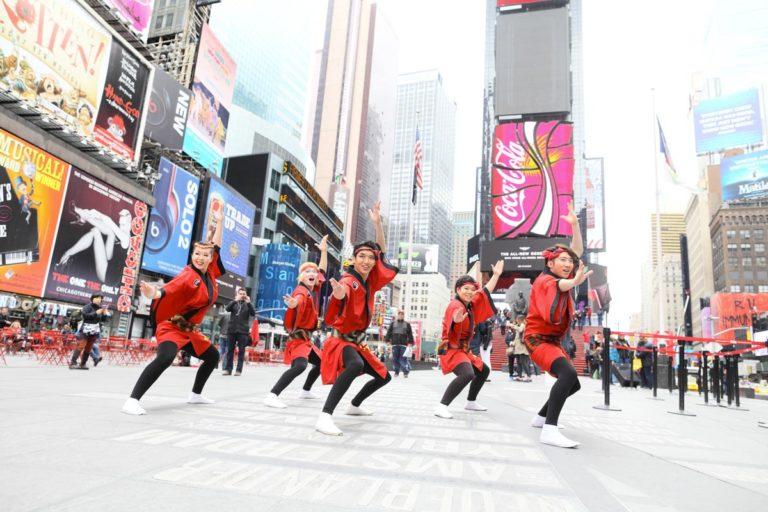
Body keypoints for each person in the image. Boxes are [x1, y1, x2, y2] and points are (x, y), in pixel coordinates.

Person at [121, 206, 225, 415]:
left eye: (205, 255)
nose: (200, 257)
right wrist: (154, 293)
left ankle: (195, 395)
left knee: (213, 357)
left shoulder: (210, 273)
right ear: (192, 255)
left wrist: (219, 222)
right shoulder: (188, 275)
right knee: (165, 358)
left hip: (191, 331)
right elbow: (169, 290)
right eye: (197, 254)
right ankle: (131, 401)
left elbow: (216, 245)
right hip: (172, 326)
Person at [315, 201, 397, 436]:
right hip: (341, 341)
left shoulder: (369, 280)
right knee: (355, 365)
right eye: (362, 256)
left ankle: (354, 405)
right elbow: (341, 295)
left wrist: (378, 223)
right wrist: (339, 297)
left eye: (370, 258)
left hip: (356, 342)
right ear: (354, 259)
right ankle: (324, 416)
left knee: (384, 376)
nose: (367, 261)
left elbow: (382, 253)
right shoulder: (348, 280)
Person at [524, 200, 591, 448]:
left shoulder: (558, 276)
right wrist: (573, 282)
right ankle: (549, 430)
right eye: (562, 260)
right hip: (537, 339)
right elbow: (560, 286)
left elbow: (578, 251)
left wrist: (575, 226)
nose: (568, 263)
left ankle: (541, 418)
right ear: (550, 263)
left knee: (573, 383)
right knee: (568, 374)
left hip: (552, 341)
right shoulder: (545, 280)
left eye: (569, 261)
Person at [263, 235, 328, 408]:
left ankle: (305, 390)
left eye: (313, 272)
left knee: (321, 362)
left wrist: (323, 251)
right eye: (307, 272)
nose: (313, 273)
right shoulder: (301, 290)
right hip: (298, 339)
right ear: (301, 277)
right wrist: (293, 304)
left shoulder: (313, 289)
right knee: (300, 366)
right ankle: (272, 394)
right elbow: (297, 299)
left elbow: (322, 270)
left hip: (306, 339)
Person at [434, 260, 503, 419]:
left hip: (463, 349)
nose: (470, 292)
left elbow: (485, 292)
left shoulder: (470, 304)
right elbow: (450, 327)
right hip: (451, 348)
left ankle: (471, 401)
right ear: (458, 290)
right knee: (467, 374)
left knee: (483, 370)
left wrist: (496, 276)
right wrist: (456, 322)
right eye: (466, 289)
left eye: (472, 290)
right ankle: (441, 406)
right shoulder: (455, 305)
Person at [69, 294, 109, 370]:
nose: (99, 300)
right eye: (97, 298)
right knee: (81, 345)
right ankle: (73, 362)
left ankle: (83, 364)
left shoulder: (100, 308)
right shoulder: (87, 307)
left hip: (94, 330)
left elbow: (104, 320)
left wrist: (104, 314)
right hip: (85, 330)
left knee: (88, 347)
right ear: (92, 299)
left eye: (100, 298)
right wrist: (96, 313)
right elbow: (85, 316)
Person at [222, 287, 256, 376]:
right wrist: (235, 300)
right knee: (230, 350)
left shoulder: (248, 304)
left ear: (246, 295)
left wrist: (249, 303)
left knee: (241, 351)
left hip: (243, 331)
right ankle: (228, 369)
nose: (242, 295)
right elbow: (227, 309)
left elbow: (253, 313)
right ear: (237, 294)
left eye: (244, 294)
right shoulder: (233, 303)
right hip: (232, 330)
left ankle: (238, 370)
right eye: (240, 293)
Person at [385, 309, 414, 378]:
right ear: (397, 315)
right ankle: (396, 372)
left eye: (402, 314)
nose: (400, 315)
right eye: (399, 314)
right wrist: (387, 341)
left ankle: (406, 372)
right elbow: (388, 333)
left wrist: (410, 343)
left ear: (403, 315)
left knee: (403, 359)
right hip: (394, 344)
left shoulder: (407, 324)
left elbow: (410, 334)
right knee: (395, 359)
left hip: (403, 345)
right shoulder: (393, 323)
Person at [512, 316, 532, 382]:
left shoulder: (523, 325)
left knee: (524, 362)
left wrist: (512, 325)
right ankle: (519, 376)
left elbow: (520, 330)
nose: (517, 321)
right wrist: (513, 343)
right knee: (518, 362)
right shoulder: (519, 326)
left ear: (520, 320)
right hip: (518, 348)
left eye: (517, 320)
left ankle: (528, 376)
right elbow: (517, 337)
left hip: (522, 348)